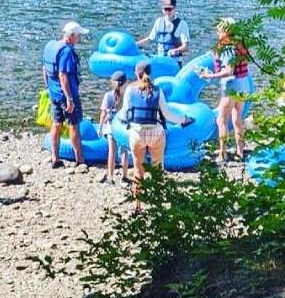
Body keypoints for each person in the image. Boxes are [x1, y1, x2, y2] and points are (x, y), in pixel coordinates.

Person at [119, 60, 194, 194]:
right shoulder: (157, 90)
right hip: (155, 134)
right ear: (150, 73)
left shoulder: (130, 89)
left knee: (138, 170)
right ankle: (158, 203)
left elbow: (124, 114)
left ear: (136, 73)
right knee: (158, 169)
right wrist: (184, 120)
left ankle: (138, 205)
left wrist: (120, 120)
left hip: (137, 134)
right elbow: (168, 115)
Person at [197, 18, 253, 163]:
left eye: (219, 30)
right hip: (244, 83)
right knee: (237, 118)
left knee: (221, 119)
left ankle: (223, 154)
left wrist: (209, 75)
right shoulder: (239, 43)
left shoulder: (226, 48)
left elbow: (229, 71)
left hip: (232, 84)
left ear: (226, 32)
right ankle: (240, 151)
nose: (217, 32)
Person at [42, 21, 88, 168]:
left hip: (54, 93)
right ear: (72, 36)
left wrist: (48, 87)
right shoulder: (67, 51)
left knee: (56, 124)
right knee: (74, 125)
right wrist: (69, 98)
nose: (79, 39)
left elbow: (45, 69)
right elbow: (63, 74)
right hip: (67, 95)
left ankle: (55, 158)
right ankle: (80, 160)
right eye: (78, 36)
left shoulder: (51, 46)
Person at [136, 0, 190, 67]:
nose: (167, 12)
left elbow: (186, 47)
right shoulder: (159, 21)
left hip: (174, 62)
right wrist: (135, 44)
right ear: (162, 9)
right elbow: (150, 38)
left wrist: (176, 50)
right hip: (160, 60)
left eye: (170, 9)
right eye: (165, 9)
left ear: (175, 9)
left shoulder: (182, 24)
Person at [97, 71, 130, 184]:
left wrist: (100, 127)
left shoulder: (108, 95)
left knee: (111, 151)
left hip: (111, 126)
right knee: (124, 151)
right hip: (123, 127)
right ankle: (124, 176)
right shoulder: (127, 96)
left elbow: (103, 113)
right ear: (125, 83)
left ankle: (110, 177)